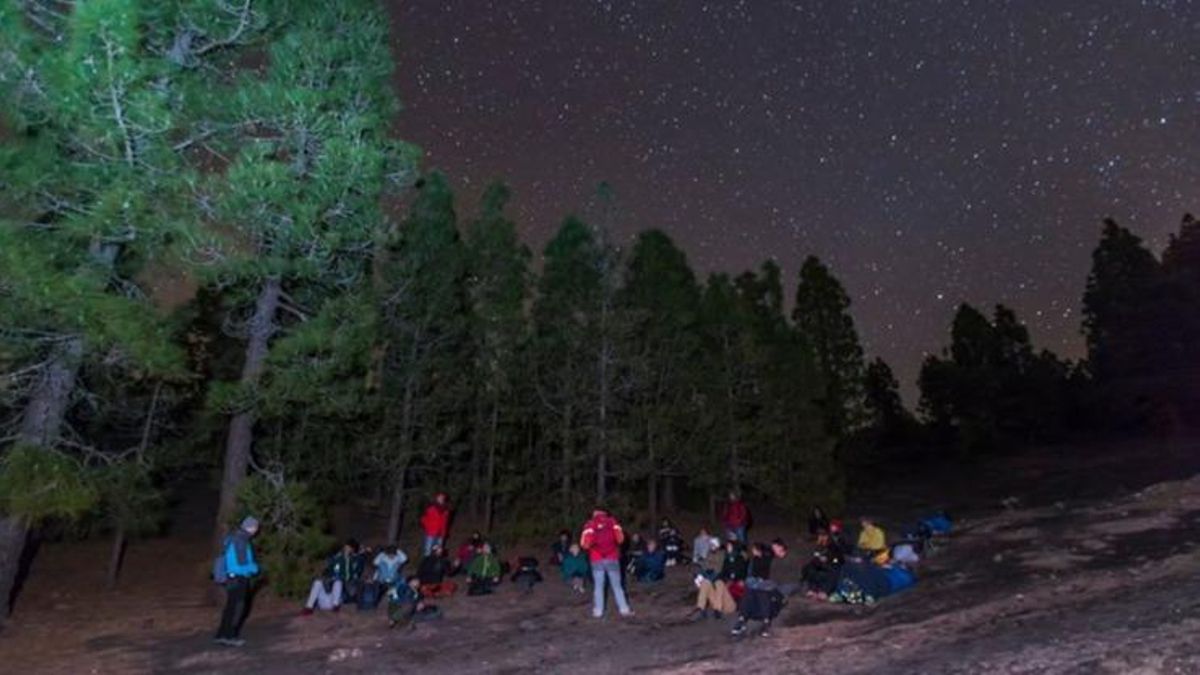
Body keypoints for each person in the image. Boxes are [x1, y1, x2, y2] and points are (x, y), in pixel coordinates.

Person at [215, 516, 260, 647]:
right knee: (237, 608)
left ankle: (221, 635)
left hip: (230, 578)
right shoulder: (241, 540)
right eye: (256, 527)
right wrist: (255, 568)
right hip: (238, 578)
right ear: (251, 527)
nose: (256, 530)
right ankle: (230, 636)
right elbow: (241, 564)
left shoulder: (233, 537)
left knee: (230, 607)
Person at [580, 506, 633, 618]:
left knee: (598, 586)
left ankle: (598, 611)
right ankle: (624, 609)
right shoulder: (613, 522)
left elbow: (584, 544)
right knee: (617, 586)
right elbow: (621, 540)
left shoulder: (590, 524)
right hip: (612, 557)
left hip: (596, 558)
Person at [801, 529, 845, 598]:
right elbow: (815, 557)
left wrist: (829, 559)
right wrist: (818, 561)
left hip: (832, 565)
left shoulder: (833, 546)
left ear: (827, 536)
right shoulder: (819, 546)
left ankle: (825, 591)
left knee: (832, 572)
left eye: (823, 536)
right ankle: (812, 589)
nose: (821, 538)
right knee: (810, 569)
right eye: (820, 536)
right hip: (820, 565)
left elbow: (840, 559)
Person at [327, 538, 366, 603]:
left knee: (350, 591)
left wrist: (353, 576)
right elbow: (336, 569)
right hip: (341, 581)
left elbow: (355, 572)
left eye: (349, 548)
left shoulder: (355, 559)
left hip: (349, 582)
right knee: (339, 586)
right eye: (346, 547)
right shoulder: (339, 558)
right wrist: (336, 575)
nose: (347, 549)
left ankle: (345, 597)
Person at [420, 492, 452, 557]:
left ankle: (436, 562)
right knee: (428, 551)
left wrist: (444, 533)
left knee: (438, 552)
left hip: (440, 535)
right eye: (440, 497)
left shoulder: (446, 510)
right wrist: (428, 527)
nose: (441, 499)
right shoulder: (430, 508)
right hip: (430, 534)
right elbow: (423, 519)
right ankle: (427, 562)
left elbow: (445, 523)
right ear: (436, 498)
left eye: (443, 498)